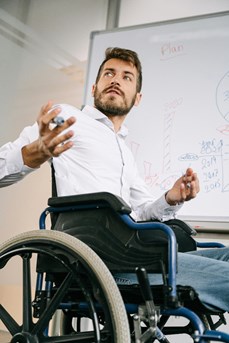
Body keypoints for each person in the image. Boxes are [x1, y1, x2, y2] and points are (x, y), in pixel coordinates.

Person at [0, 47, 229, 312]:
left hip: (131, 248)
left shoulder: (125, 152)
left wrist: (170, 198)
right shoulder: (68, 119)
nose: (116, 80)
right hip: (100, 256)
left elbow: (141, 214)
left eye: (127, 77)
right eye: (109, 73)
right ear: (95, 87)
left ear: (138, 98)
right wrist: (36, 152)